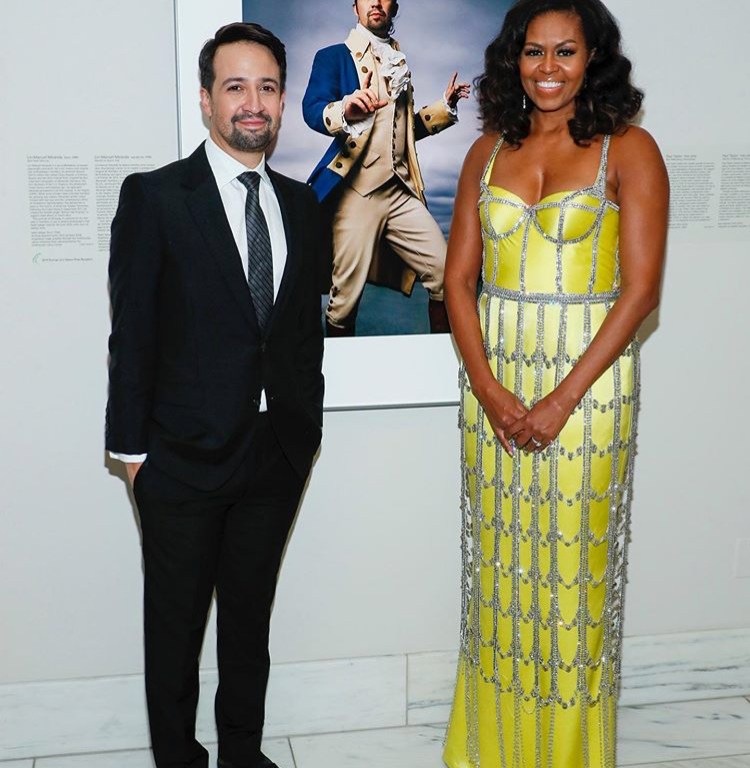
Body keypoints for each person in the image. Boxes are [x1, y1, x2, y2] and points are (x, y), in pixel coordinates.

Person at [442, 0, 668, 766]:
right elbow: (457, 280)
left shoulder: (629, 151)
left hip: (588, 397)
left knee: (572, 583)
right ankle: (493, 750)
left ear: (593, 56)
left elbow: (640, 292)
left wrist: (560, 400)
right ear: (513, 58)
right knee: (502, 584)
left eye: (565, 52)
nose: (546, 69)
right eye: (532, 52)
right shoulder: (486, 151)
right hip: (493, 395)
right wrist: (488, 389)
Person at [105, 22, 324, 768]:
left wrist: (305, 431)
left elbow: (298, 337)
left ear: (283, 99)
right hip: (179, 464)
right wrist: (133, 457)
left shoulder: (304, 206)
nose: (252, 103)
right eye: (235, 87)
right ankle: (177, 759)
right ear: (206, 101)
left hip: (275, 456)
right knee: (175, 630)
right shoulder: (158, 198)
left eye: (266, 87)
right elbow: (130, 334)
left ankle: (242, 752)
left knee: (249, 626)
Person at [302, 0, 470, 336]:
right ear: (355, 8)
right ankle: (341, 376)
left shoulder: (399, 63)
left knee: (443, 272)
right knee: (344, 299)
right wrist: (344, 109)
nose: (376, 3)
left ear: (394, 7)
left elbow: (406, 132)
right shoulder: (333, 56)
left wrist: (444, 107)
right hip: (357, 192)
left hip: (400, 190)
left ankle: (441, 364)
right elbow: (312, 108)